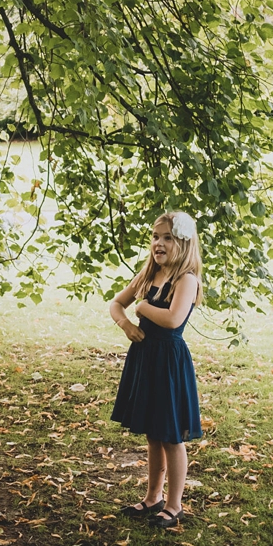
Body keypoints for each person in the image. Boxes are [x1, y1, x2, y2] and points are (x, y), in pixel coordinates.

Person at [109, 211, 203, 529]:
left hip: (169, 362)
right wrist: (125, 324)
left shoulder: (186, 279)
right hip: (146, 358)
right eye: (154, 236)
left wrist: (142, 307)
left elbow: (173, 319)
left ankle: (175, 506)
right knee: (152, 433)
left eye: (167, 237)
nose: (158, 243)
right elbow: (115, 304)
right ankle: (153, 497)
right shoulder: (149, 275)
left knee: (171, 436)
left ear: (183, 243)